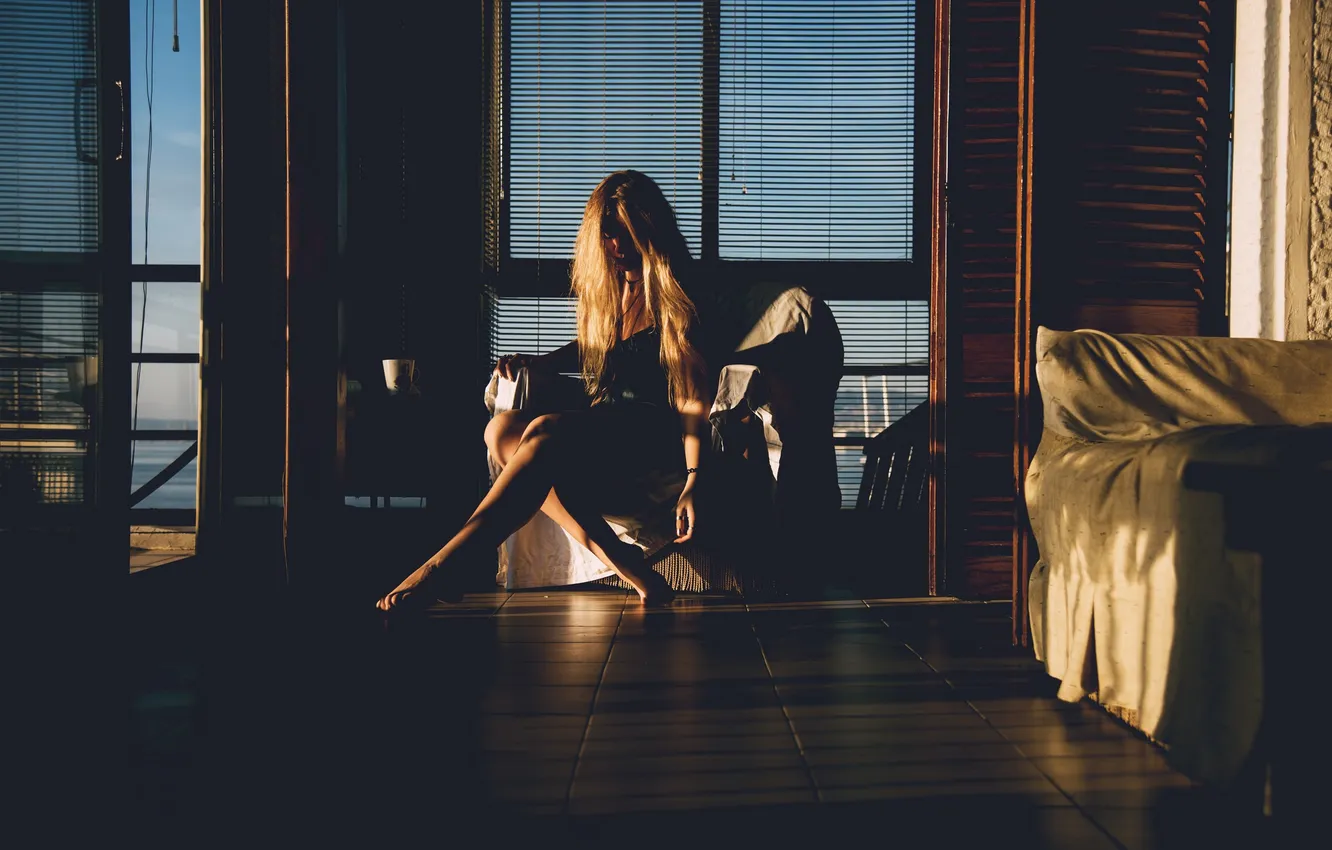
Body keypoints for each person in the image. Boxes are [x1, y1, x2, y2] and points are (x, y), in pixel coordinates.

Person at [375, 170, 710, 614]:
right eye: (607, 236)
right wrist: (543, 362)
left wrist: (693, 479)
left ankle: (445, 564)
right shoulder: (618, 291)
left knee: (546, 432)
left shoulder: (675, 292)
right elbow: (598, 350)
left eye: (624, 234)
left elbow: (693, 399)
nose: (615, 247)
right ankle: (633, 569)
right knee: (501, 433)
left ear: (648, 228)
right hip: (608, 426)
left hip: (652, 434)